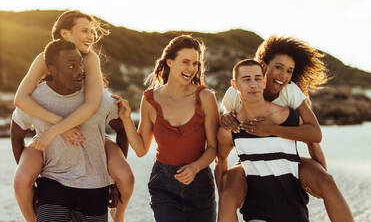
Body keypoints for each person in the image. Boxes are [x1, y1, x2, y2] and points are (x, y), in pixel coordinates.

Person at [13, 10, 133, 222]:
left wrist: (55, 131)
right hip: (51, 154)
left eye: (93, 31)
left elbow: (92, 106)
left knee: (125, 176)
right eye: (85, 31)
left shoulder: (91, 58)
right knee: (22, 179)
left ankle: (119, 215)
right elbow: (21, 99)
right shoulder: (44, 58)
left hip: (91, 136)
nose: (92, 36)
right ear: (65, 33)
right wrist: (59, 125)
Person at [217, 36, 353, 222]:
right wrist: (225, 119)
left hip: (288, 157)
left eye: (289, 70)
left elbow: (314, 135)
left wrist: (320, 177)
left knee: (327, 182)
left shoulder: (290, 91)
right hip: (250, 160)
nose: (283, 75)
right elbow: (228, 123)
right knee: (229, 189)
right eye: (278, 67)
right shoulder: (236, 93)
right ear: (263, 67)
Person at [113, 35, 219, 221]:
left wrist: (194, 168)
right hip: (163, 184)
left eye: (195, 63)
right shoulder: (150, 99)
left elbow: (212, 148)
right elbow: (140, 149)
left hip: (199, 185)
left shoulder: (205, 98)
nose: (191, 69)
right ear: (170, 62)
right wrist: (127, 119)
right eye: (185, 62)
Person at [216, 59, 309, 221]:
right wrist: (226, 196)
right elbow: (220, 159)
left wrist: (321, 175)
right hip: (256, 214)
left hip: (294, 213)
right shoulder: (230, 128)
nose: (253, 84)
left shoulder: (286, 116)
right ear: (234, 85)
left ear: (264, 81)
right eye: (246, 79)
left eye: (258, 78)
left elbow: (312, 138)